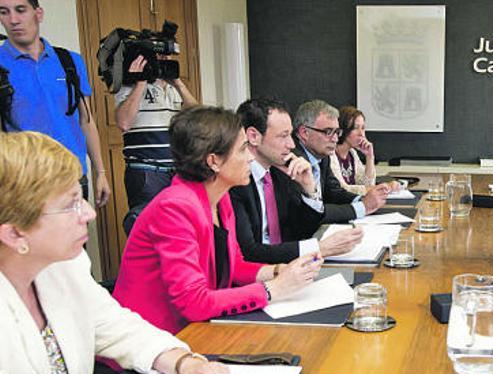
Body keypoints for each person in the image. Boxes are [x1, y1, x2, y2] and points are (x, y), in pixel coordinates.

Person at [0, 131, 230, 374]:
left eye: (81, 198)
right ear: (14, 233)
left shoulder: (64, 265)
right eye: (70, 205)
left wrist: (183, 361)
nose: (89, 214)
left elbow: (115, 326)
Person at [113, 106, 322, 334]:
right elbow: (193, 302)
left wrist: (279, 270)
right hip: (156, 340)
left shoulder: (221, 199)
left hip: (199, 330)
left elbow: (235, 266)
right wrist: (274, 289)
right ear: (214, 161)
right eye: (243, 149)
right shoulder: (174, 208)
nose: (251, 157)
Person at [0, 0, 111, 206]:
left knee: (75, 238)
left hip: (73, 177)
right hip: (23, 183)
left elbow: (86, 121)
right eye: (4, 12)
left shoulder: (70, 61)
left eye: (21, 10)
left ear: (38, 14)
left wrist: (101, 172)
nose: (13, 20)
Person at [230, 97, 363, 264]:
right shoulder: (236, 181)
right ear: (253, 136)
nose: (292, 144)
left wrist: (309, 189)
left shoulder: (280, 171)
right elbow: (248, 252)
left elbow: (301, 230)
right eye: (283, 136)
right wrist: (319, 248)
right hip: (260, 278)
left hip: (291, 267)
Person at [115, 54, 198, 230]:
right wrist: (140, 83)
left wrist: (178, 83)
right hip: (146, 173)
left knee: (178, 229)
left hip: (176, 172)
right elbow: (123, 123)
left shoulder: (173, 89)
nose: (164, 58)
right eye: (159, 54)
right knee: (150, 232)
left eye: (168, 55)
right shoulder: (129, 85)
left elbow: (198, 120)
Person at [292, 99, 389, 223]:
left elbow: (335, 192)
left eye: (337, 132)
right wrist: (363, 206)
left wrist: (362, 199)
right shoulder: (294, 160)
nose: (335, 139)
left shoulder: (322, 155)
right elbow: (309, 214)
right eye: (328, 132)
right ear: (304, 133)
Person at [330, 105, 377, 196]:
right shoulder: (330, 154)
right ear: (343, 129)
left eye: (363, 128)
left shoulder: (352, 153)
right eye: (355, 128)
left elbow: (367, 184)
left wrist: (369, 157)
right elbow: (341, 188)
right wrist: (377, 188)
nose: (361, 134)